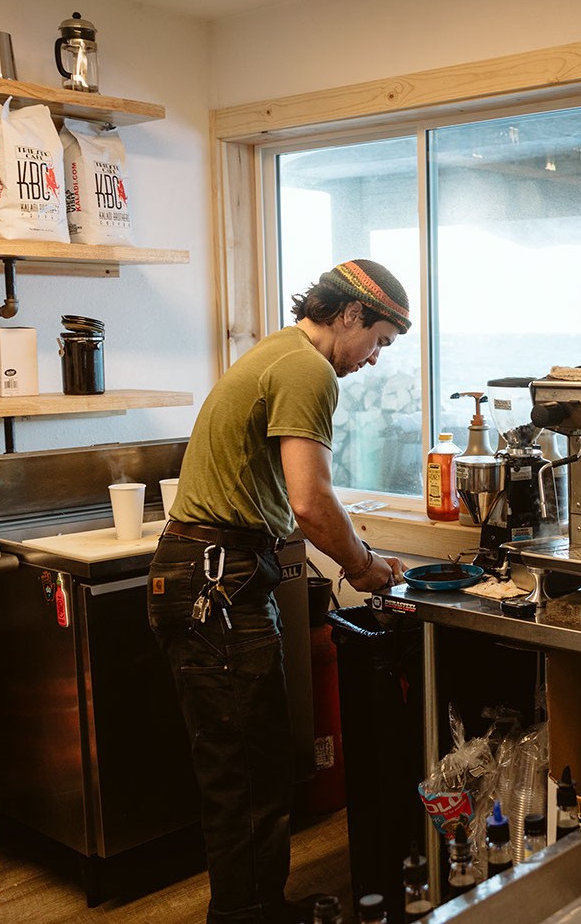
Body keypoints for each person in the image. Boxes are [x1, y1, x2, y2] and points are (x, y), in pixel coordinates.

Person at [148, 258, 409, 924]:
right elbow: (311, 500)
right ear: (350, 314)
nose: (374, 359)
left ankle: (258, 906)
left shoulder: (280, 352)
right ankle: (249, 915)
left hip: (214, 572)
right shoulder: (306, 369)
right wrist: (364, 567)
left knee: (251, 764)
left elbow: (300, 501)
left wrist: (355, 550)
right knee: (245, 771)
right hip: (216, 580)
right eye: (378, 340)